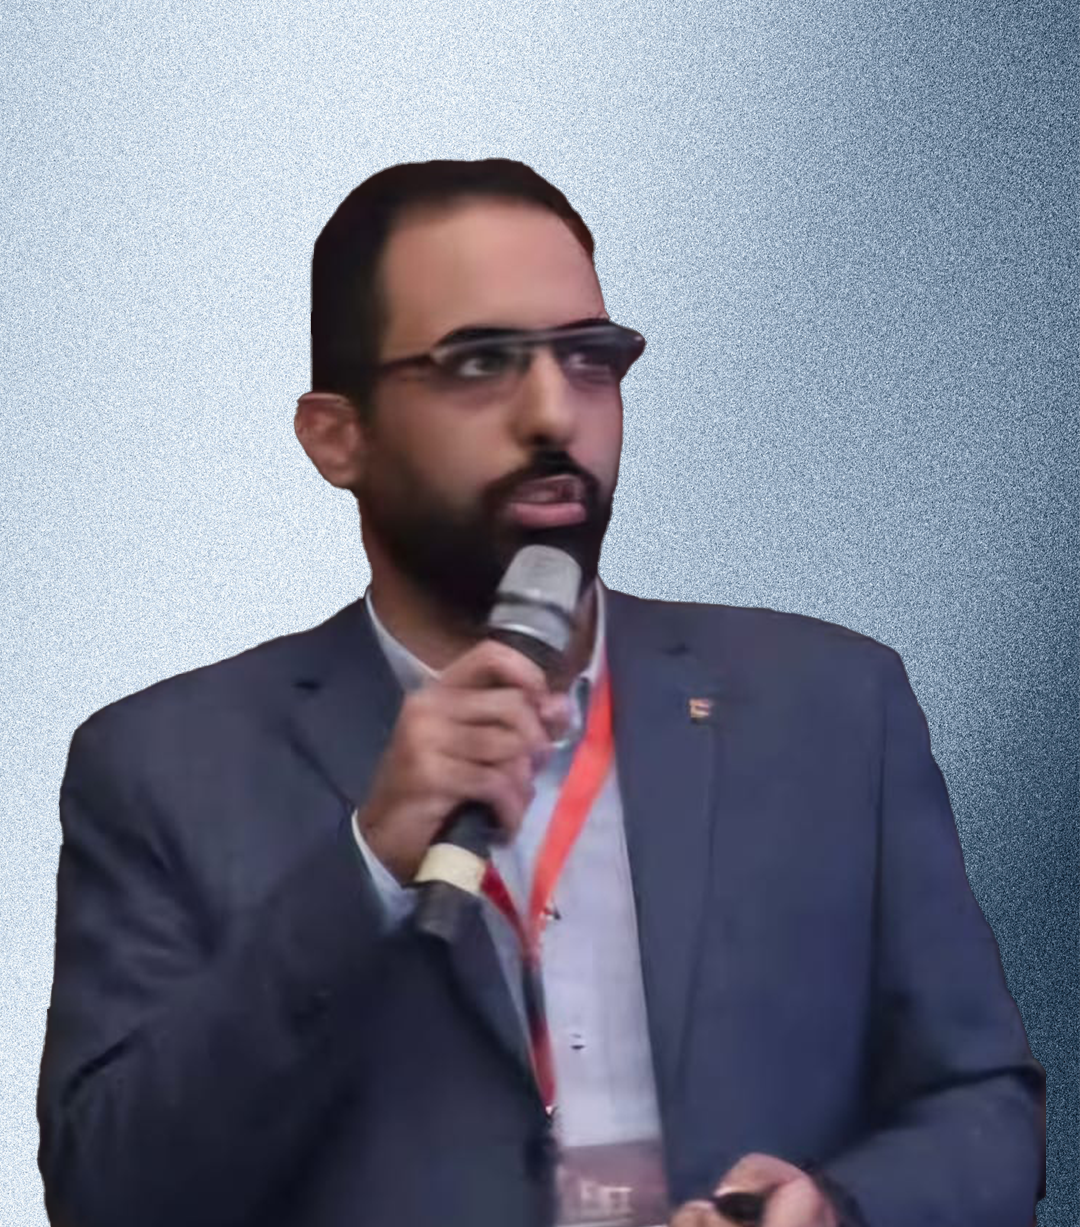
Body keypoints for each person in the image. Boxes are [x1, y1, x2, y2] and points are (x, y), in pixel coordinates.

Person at [38, 159, 1045, 1227]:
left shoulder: (830, 708)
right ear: (337, 436)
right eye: (480, 363)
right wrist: (365, 865)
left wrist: (838, 1210)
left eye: (589, 358)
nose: (554, 414)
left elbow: (986, 1110)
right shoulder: (165, 768)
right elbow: (109, 1193)